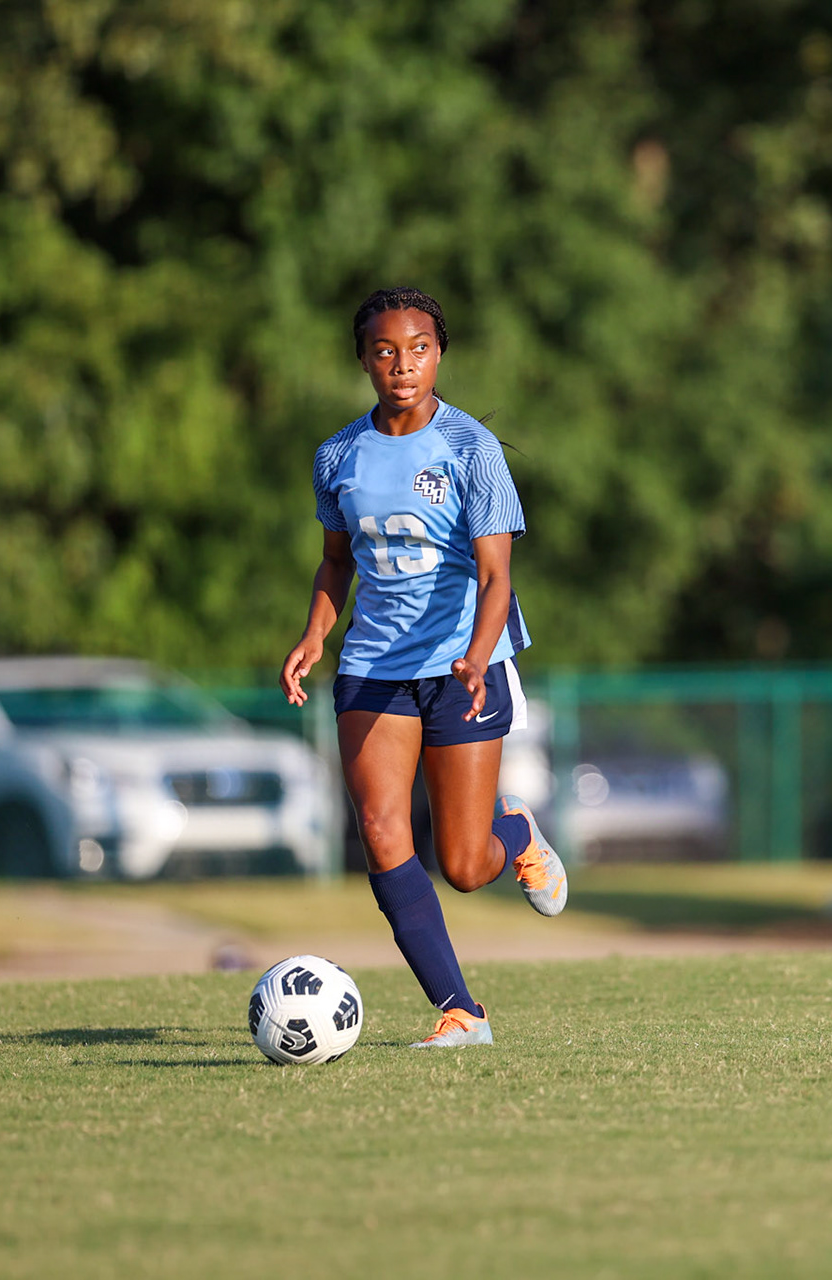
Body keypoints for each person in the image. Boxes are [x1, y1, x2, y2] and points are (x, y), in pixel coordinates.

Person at [278, 286, 567, 1048]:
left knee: (467, 865)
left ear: (440, 353)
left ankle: (516, 831)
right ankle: (460, 1011)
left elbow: (498, 577)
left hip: (462, 668)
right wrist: (314, 635)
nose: (402, 366)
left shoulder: (472, 448)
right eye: (384, 351)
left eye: (419, 349)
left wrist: (476, 654)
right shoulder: (337, 455)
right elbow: (336, 562)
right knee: (380, 831)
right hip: (372, 666)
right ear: (364, 359)